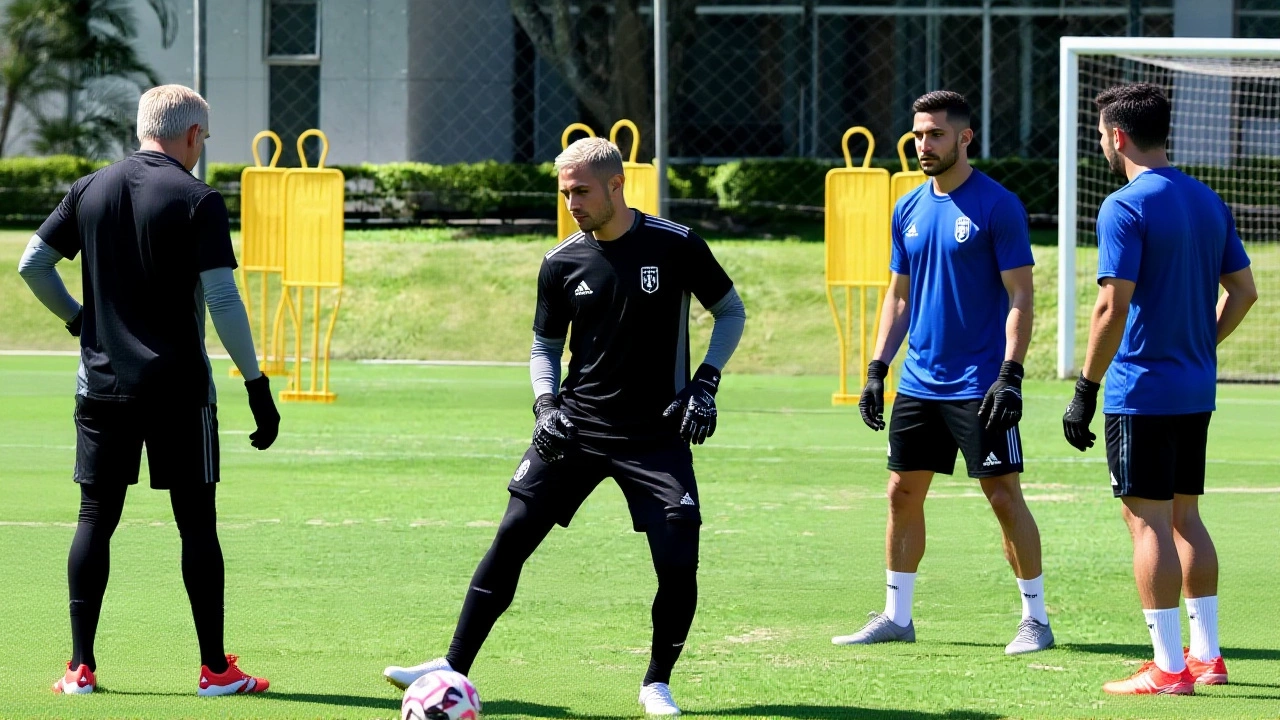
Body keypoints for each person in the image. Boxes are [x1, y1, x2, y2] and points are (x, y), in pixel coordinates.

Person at [383, 138, 746, 716]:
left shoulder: (675, 245)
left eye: (581, 191)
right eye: (565, 192)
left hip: (655, 434)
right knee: (512, 536)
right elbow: (544, 346)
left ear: (615, 185)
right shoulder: (560, 262)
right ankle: (452, 666)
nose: (572, 202)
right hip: (575, 426)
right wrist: (545, 406)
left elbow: (731, 311)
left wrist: (705, 382)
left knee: (679, 556)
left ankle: (656, 682)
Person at [17, 84, 280, 696]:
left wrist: (81, 321)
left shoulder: (89, 188)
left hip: (102, 387)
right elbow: (220, 299)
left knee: (94, 519)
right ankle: (215, 671)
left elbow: (32, 263)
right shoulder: (199, 199)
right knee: (197, 526)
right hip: (179, 390)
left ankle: (80, 668)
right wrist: (256, 382)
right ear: (191, 135)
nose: (203, 150)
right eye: (205, 140)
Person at [832, 90, 1054, 655]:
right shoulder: (906, 208)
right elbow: (899, 298)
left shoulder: (998, 205)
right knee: (901, 493)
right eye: (918, 135)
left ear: (964, 137)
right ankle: (896, 615)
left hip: (980, 384)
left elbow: (1020, 296)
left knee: (1003, 497)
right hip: (919, 382)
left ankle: (1036, 620)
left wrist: (1012, 374)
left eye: (935, 134)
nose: (923, 144)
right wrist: (878, 367)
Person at [1062, 83, 1256, 695]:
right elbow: (1246, 292)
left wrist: (1085, 389)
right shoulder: (1207, 199)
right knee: (1186, 518)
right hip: (1195, 390)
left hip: (1140, 390)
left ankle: (1169, 668)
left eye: (1100, 134)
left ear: (1117, 136)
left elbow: (1109, 308)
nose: (1100, 143)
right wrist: (1200, 347)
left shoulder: (1124, 205)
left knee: (1146, 523)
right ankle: (1209, 657)